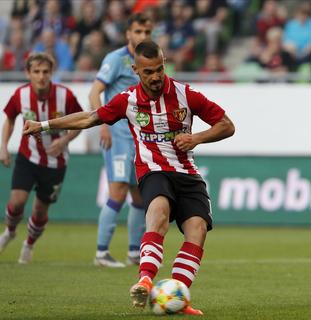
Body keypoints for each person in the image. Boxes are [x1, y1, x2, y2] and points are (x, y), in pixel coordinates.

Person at [23, 40, 235, 315]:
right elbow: (90, 118)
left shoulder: (186, 95)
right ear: (136, 70)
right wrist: (43, 125)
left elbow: (227, 126)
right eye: (148, 72)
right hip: (153, 171)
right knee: (157, 213)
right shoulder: (128, 100)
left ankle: (177, 296)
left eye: (159, 69)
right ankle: (145, 280)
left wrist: (196, 138)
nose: (156, 76)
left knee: (198, 230)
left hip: (187, 173)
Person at [0, 52, 82, 263]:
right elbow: (9, 119)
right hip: (27, 157)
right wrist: (3, 146)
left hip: (56, 162)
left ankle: (28, 245)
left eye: (45, 71)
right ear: (28, 73)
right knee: (17, 202)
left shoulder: (66, 95)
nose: (41, 76)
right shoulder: (21, 95)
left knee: (39, 209)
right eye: (36, 71)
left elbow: (80, 122)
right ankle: (9, 232)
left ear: (51, 73)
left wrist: (64, 141)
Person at [89, 13, 152, 268]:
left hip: (141, 139)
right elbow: (95, 92)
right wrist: (103, 124)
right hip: (118, 136)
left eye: (147, 33)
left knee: (139, 196)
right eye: (138, 32)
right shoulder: (116, 59)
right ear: (128, 33)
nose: (143, 37)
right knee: (117, 192)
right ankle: (101, 253)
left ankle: (134, 252)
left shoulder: (148, 59)